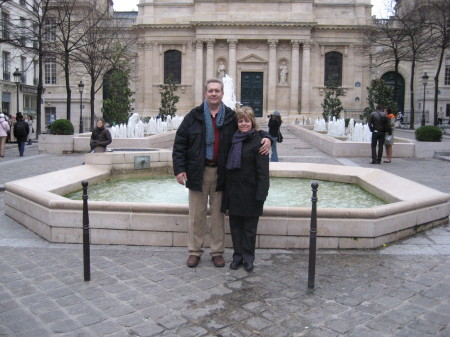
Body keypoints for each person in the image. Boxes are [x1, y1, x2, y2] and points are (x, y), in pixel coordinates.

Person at [172, 78, 271, 268]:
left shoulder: (230, 117)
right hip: (197, 172)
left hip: (223, 173)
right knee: (196, 214)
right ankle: (195, 251)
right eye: (210, 91)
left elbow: (249, 127)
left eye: (217, 90)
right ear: (206, 93)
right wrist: (180, 169)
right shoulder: (193, 116)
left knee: (218, 215)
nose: (214, 94)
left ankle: (217, 252)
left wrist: (267, 138)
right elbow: (180, 144)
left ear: (222, 94)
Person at [221, 106, 269, 272]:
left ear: (252, 122)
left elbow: (263, 172)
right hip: (234, 192)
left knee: (249, 229)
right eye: (240, 121)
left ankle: (248, 258)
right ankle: (237, 257)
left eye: (246, 121)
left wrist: (261, 195)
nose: (243, 124)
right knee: (235, 228)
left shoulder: (259, 142)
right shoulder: (233, 139)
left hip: (251, 193)